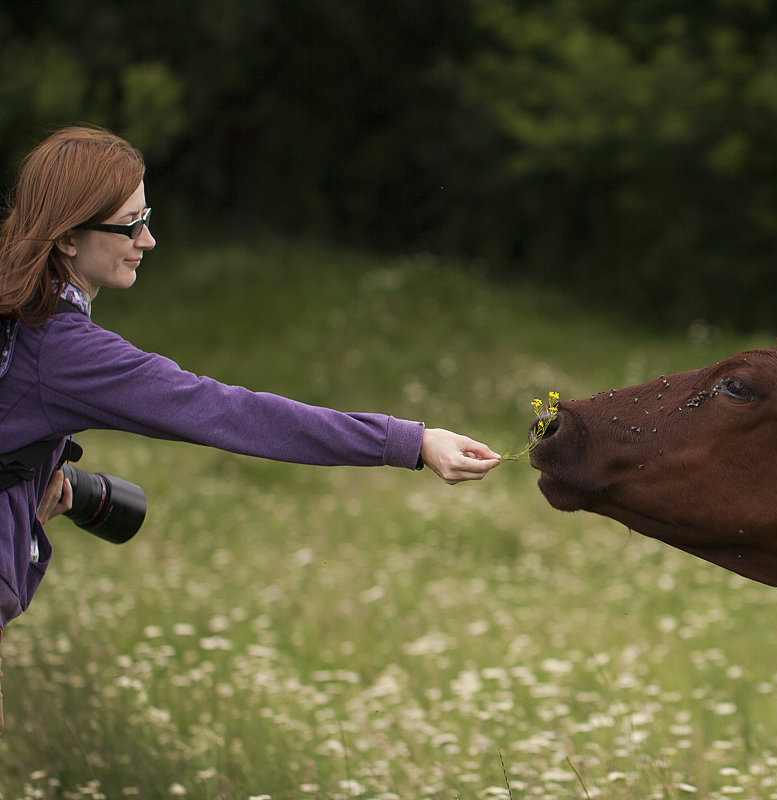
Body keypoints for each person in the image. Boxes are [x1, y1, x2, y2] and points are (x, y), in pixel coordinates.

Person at [0, 126, 503, 730]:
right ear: (67, 239)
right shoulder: (64, 349)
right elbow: (229, 412)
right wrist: (409, 441)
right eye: (129, 225)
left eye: (147, 216)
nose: (149, 239)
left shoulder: (18, 313)